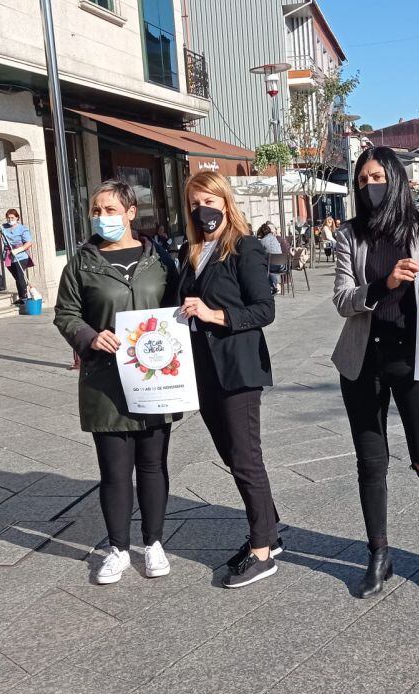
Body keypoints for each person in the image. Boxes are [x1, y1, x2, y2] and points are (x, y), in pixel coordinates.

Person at [331, 146, 419, 601]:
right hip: (363, 359)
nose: (371, 186)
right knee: (371, 462)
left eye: (378, 177)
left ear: (397, 179)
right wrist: (383, 285)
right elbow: (343, 300)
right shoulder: (349, 234)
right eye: (363, 180)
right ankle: (378, 554)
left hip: (414, 360)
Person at [53, 180, 179, 585]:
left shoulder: (158, 259)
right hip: (105, 382)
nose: (101, 216)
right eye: (96, 209)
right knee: (114, 471)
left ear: (129, 213)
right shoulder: (82, 263)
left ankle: (154, 543)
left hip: (154, 380)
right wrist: (90, 337)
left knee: (153, 466)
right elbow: (66, 313)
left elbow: (176, 307)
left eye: (109, 209)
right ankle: (118, 549)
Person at [177, 171, 283, 589]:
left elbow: (264, 310)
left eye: (209, 199)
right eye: (194, 201)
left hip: (238, 368)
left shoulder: (245, 247)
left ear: (224, 201)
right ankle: (269, 529)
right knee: (230, 454)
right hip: (202, 370)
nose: (202, 207)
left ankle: (262, 551)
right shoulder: (192, 251)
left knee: (244, 456)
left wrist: (215, 315)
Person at [0, 208, 34, 304]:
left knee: (20, 276)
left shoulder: (22, 229)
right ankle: (23, 296)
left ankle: (24, 297)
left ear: (17, 217)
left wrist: (18, 250)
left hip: (21, 256)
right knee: (17, 277)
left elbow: (29, 243)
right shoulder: (3, 227)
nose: (10, 219)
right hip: (9, 256)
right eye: (8, 218)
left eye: (12, 217)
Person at [257, 222, 287, 294]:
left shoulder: (262, 241)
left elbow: (259, 252)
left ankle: (273, 286)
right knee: (268, 265)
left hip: (272, 266)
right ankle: (273, 286)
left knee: (262, 267)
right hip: (282, 265)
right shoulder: (275, 239)